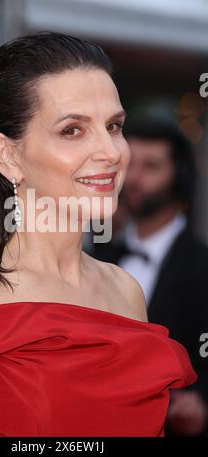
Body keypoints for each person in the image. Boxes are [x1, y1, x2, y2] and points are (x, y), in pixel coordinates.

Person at [0, 31, 197, 437]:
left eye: (114, 126)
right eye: (72, 130)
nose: (112, 152)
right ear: (7, 155)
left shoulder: (125, 292)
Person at [91, 115, 208, 435]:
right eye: (130, 164)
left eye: (152, 166)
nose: (134, 178)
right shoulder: (95, 258)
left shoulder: (201, 267)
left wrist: (200, 402)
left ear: (180, 178)